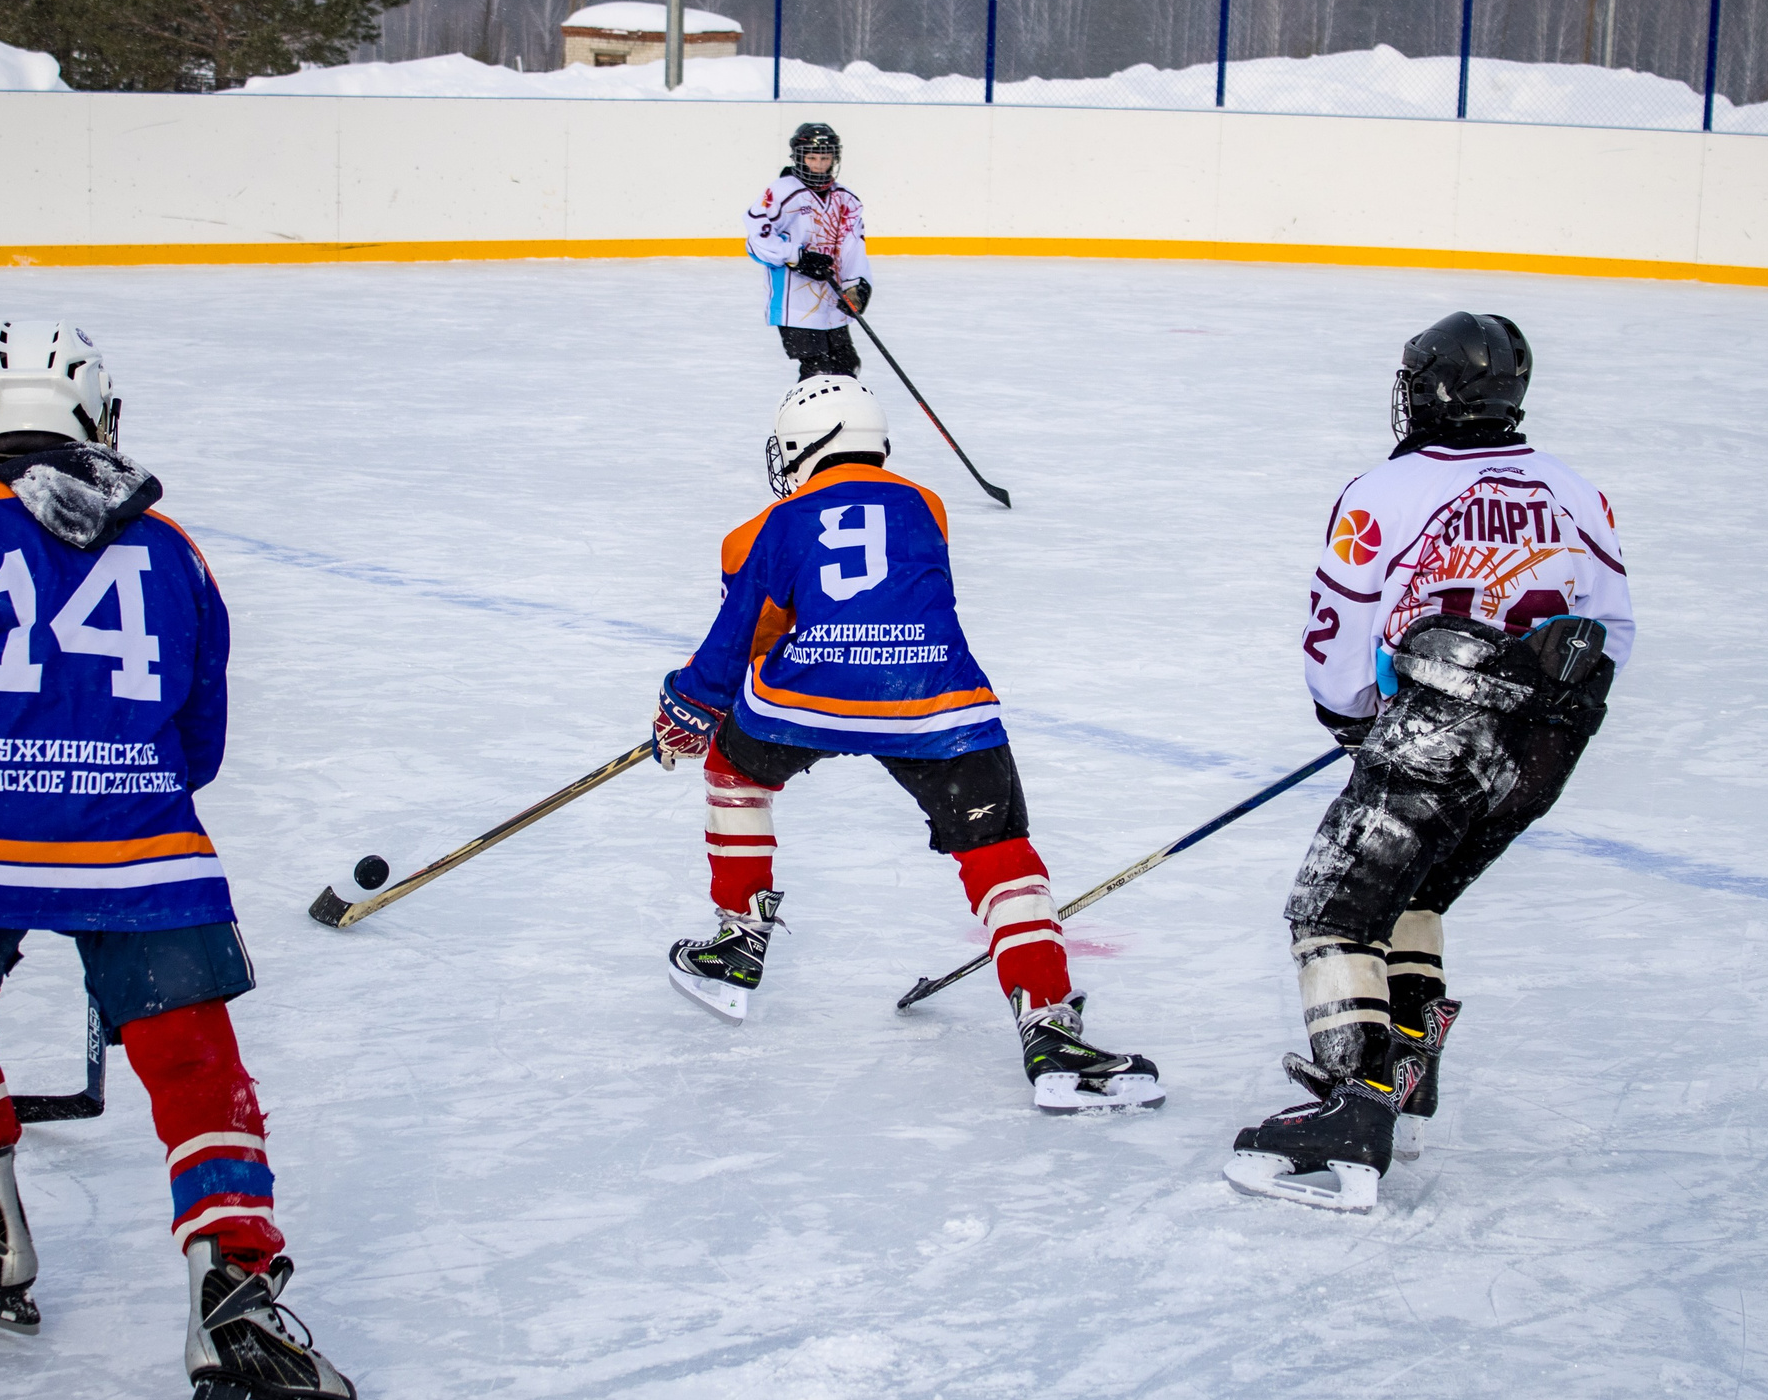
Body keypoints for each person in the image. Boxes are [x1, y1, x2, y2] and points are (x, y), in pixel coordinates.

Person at [0, 321, 358, 1400]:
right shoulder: (176, 545)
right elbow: (200, 736)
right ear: (99, 419)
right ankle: (235, 1300)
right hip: (145, 842)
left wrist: (0, 781)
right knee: (194, 1061)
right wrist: (111, 777)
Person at [649, 376, 1161, 1112]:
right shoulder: (928, 503)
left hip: (805, 699)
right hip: (935, 702)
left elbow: (743, 638)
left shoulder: (766, 526)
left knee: (736, 765)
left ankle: (737, 940)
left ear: (797, 448)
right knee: (998, 849)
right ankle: (1049, 1024)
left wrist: (689, 708)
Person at [1225, 312, 1635, 1211]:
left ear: (1436, 391)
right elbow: (1613, 631)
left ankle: (1353, 1115)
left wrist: (1360, 724)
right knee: (1413, 893)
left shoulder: (1384, 492)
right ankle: (1407, 1064)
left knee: (1330, 910)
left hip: (1438, 724)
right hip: (1547, 743)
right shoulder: (1576, 490)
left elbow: (1336, 642)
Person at [745, 122, 872, 381]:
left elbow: (853, 247)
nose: (818, 164)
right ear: (799, 157)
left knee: (847, 367)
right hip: (796, 304)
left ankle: (842, 420)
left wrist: (856, 285)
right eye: (811, 157)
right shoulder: (782, 191)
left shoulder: (845, 199)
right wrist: (797, 257)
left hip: (832, 302)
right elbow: (757, 240)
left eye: (824, 158)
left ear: (834, 159)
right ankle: (807, 421)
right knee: (818, 371)